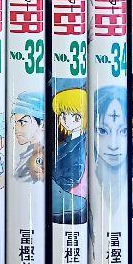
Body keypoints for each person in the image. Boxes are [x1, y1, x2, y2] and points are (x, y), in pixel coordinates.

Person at [51, 86, 88, 224]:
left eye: (75, 117)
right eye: (63, 115)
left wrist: (57, 186)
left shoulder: (81, 145)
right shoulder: (68, 141)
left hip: (68, 200)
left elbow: (74, 175)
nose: (67, 120)